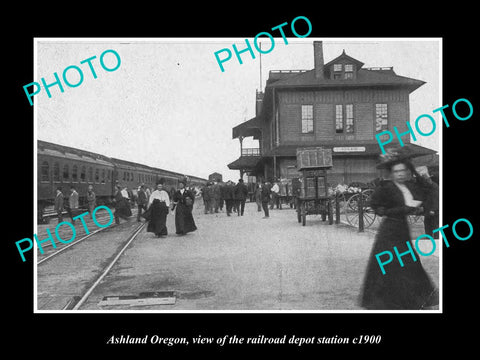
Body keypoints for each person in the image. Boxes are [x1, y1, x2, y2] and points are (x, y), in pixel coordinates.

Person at [359, 148, 438, 310]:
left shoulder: (410, 186)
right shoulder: (386, 188)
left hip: (402, 230)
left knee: (409, 263)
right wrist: (403, 209)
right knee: (392, 264)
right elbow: (379, 209)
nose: (400, 174)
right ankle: (386, 302)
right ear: (391, 173)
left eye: (403, 170)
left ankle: (413, 299)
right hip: (389, 231)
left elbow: (431, 189)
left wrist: (415, 172)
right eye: (396, 171)